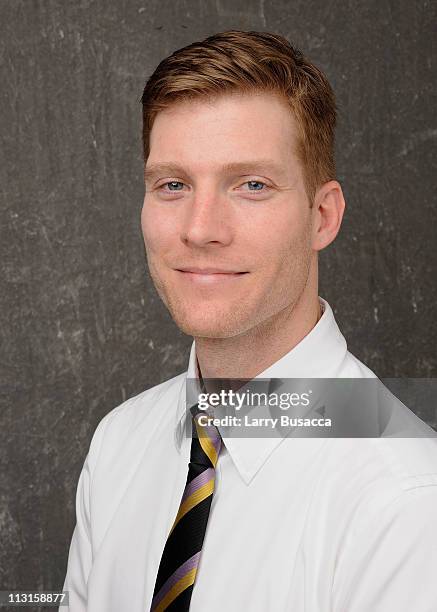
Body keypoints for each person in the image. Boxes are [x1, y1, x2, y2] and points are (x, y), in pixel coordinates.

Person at [61, 30, 437, 611]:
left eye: (252, 185)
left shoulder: (407, 500)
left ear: (322, 216)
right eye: (173, 184)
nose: (200, 228)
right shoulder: (119, 443)